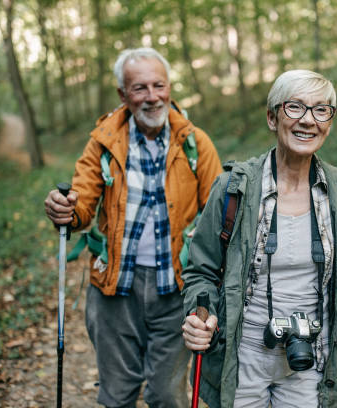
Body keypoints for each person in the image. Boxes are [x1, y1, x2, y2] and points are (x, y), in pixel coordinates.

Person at [181, 69, 337, 407]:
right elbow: (201, 272)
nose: (308, 120)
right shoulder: (234, 188)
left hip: (312, 357)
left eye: (321, 110)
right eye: (295, 107)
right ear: (272, 117)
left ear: (330, 121)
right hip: (242, 356)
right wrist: (200, 315)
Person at [44, 47, 222, 408]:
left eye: (159, 85)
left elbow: (219, 213)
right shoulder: (104, 142)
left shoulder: (196, 143)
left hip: (176, 288)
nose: (152, 96)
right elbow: (82, 204)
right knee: (117, 394)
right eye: (140, 88)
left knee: (167, 396)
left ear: (170, 88)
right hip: (115, 290)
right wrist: (65, 210)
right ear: (123, 95)